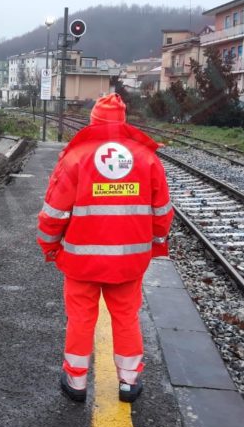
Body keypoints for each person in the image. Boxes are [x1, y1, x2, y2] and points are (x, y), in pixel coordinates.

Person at [37, 93, 173, 403]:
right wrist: (154, 247)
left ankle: (76, 382)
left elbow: (54, 212)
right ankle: (128, 383)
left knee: (81, 319)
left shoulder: (76, 156)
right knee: (126, 317)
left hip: (80, 261)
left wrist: (49, 247)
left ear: (94, 121)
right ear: (123, 122)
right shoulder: (147, 158)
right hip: (129, 261)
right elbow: (162, 213)